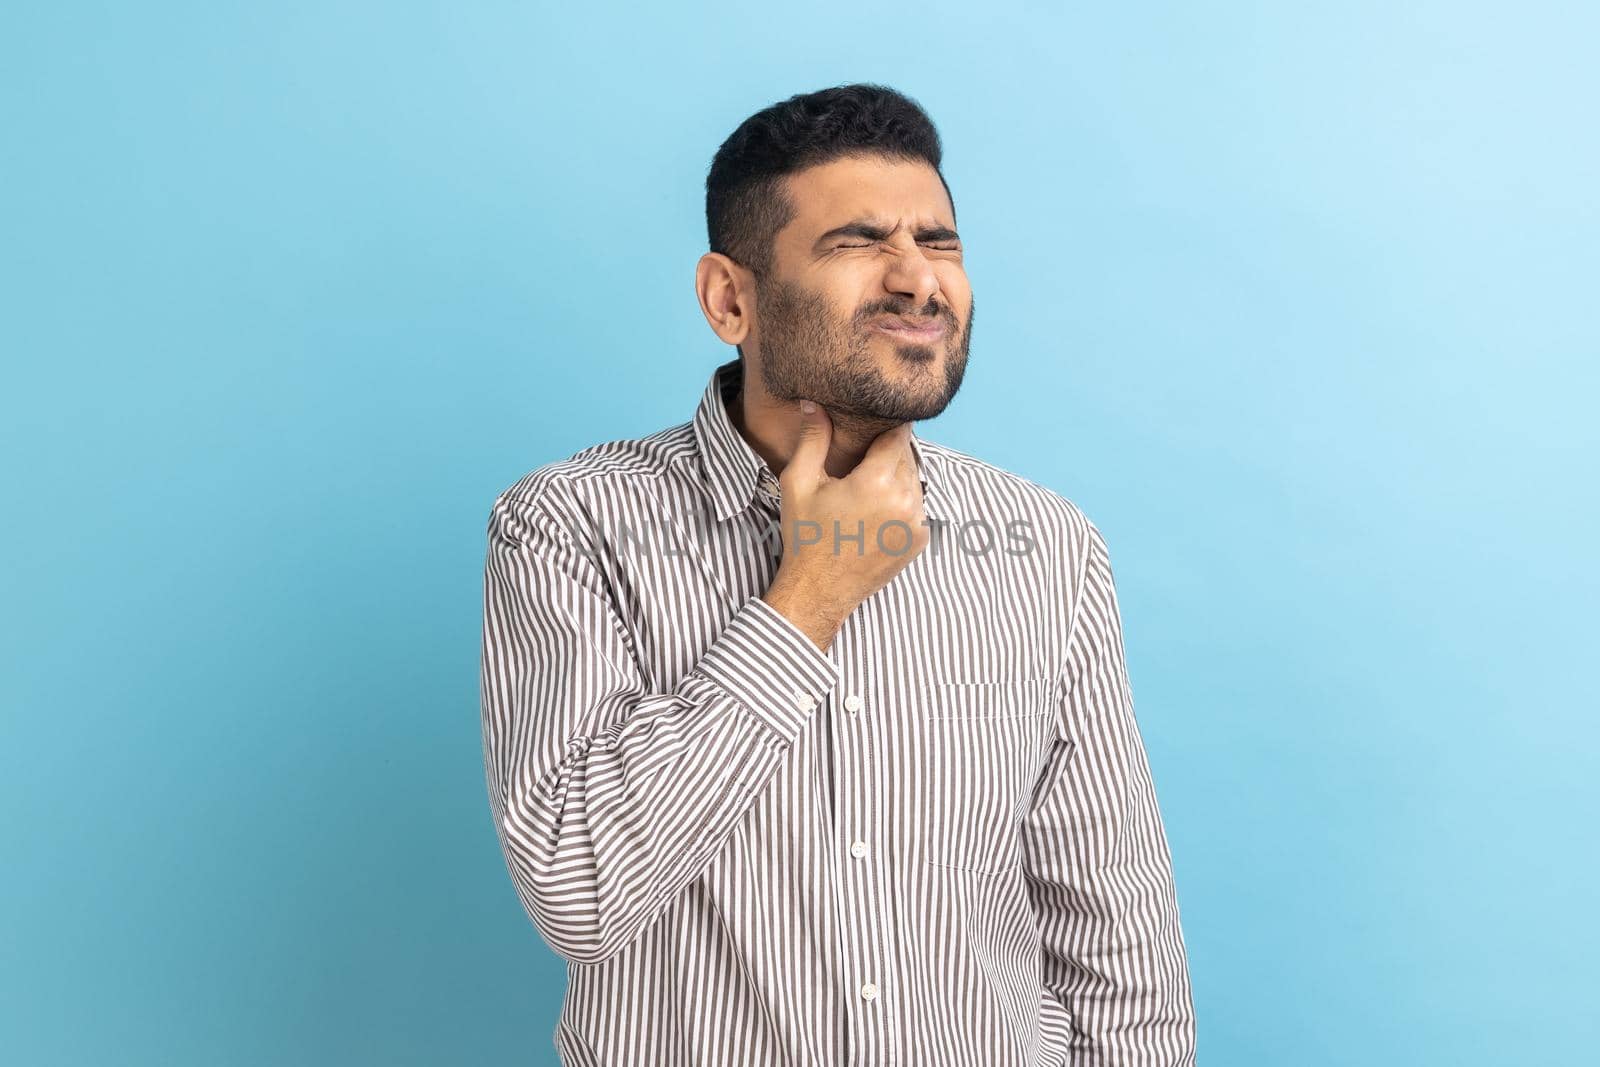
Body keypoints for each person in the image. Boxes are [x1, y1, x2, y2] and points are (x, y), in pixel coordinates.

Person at [480, 82, 1197, 1066]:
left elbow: (1115, 941)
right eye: (859, 242)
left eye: (939, 242)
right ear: (730, 299)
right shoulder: (568, 526)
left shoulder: (1044, 542)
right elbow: (579, 884)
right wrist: (805, 599)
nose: (918, 281)